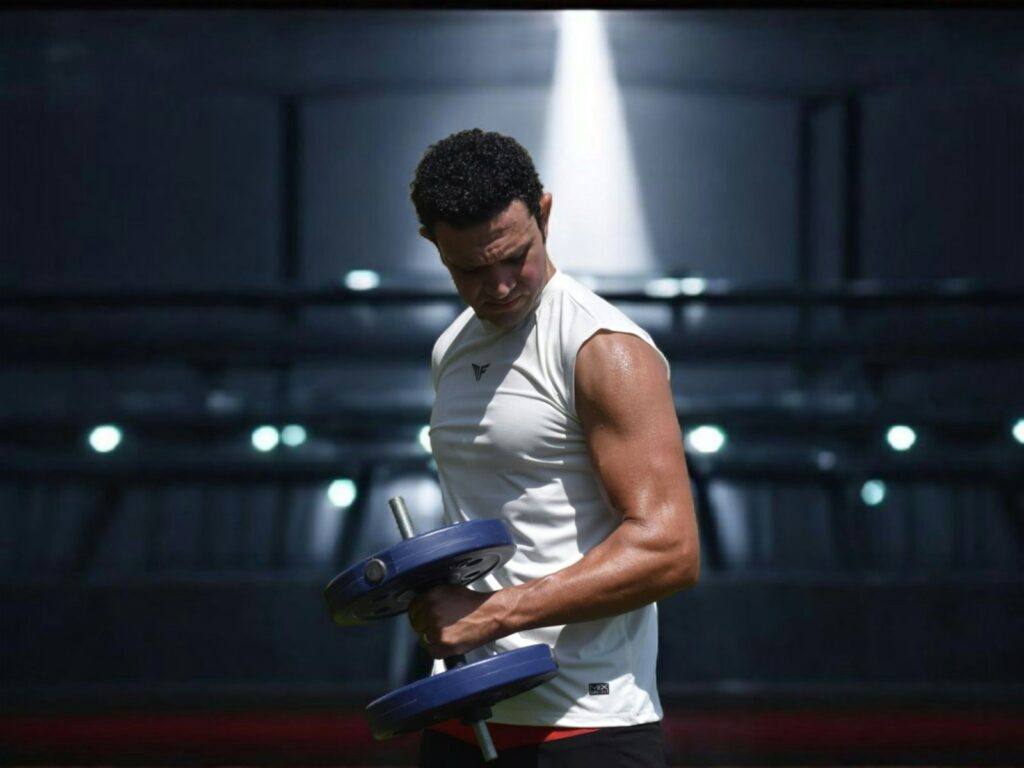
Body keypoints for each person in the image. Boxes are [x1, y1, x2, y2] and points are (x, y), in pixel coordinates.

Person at [407, 128, 700, 768]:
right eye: (472, 269)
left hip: (587, 730)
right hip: (463, 713)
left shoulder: (605, 349)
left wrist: (493, 614)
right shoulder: (452, 349)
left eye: (515, 256)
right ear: (433, 243)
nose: (501, 284)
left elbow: (670, 551)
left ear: (543, 212)